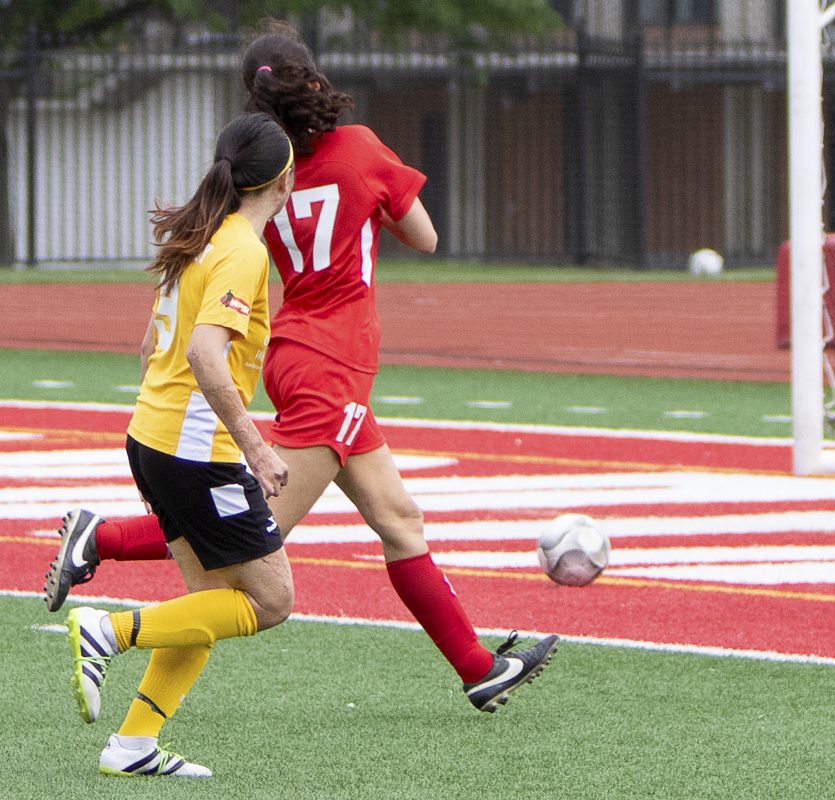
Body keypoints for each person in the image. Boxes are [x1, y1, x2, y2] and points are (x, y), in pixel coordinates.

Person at [44, 20, 556, 713]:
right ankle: (100, 541)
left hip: (300, 349)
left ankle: (476, 666)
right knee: (257, 543)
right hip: (333, 361)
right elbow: (426, 236)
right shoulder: (360, 148)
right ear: (312, 79)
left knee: (399, 518)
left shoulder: (258, 177)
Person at [67, 113, 296, 778]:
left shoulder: (202, 236)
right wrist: (254, 447)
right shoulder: (243, 250)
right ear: (283, 179)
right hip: (195, 449)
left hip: (155, 436)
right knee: (269, 601)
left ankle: (132, 744)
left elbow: (149, 350)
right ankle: (106, 632)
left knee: (207, 604)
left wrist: (159, 446)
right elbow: (204, 353)